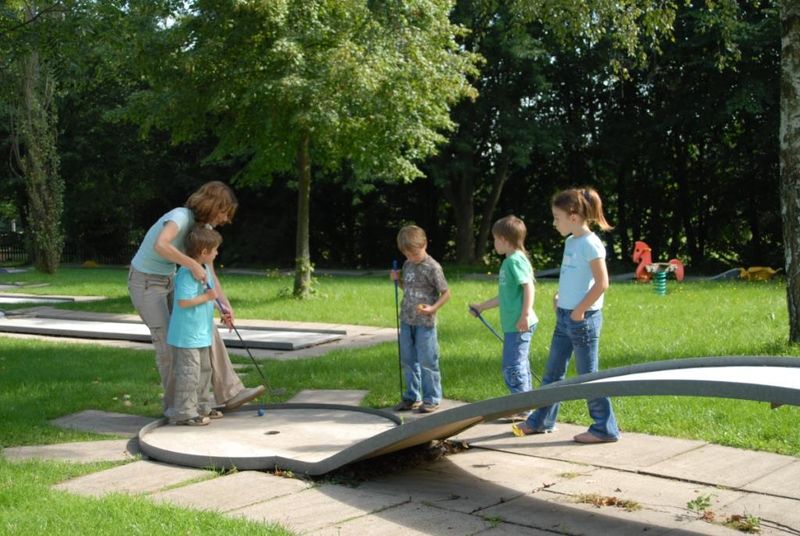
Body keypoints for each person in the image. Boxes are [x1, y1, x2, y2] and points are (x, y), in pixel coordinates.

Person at [128, 181, 264, 418]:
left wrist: (223, 305)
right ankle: (178, 408)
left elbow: (209, 271)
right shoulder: (180, 217)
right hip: (147, 284)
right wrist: (191, 263)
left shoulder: (203, 229)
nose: (226, 219)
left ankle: (230, 393)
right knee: (170, 345)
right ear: (212, 205)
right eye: (224, 212)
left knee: (203, 327)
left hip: (170, 281)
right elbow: (162, 245)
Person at [512, 187, 620, 444]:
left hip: (583, 320)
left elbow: (602, 283)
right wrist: (562, 297)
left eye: (556, 218)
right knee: (552, 374)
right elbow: (574, 276)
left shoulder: (591, 244)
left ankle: (604, 428)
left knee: (587, 377)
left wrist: (579, 309)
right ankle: (541, 421)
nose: (553, 223)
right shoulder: (571, 242)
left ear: (573, 216)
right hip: (565, 316)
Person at [469, 215, 538, 410]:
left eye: (495, 239)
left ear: (504, 240)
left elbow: (529, 287)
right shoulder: (511, 261)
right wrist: (482, 306)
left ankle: (522, 406)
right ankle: (526, 404)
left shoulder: (514, 261)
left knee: (512, 366)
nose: (494, 243)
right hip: (514, 324)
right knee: (519, 364)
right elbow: (505, 296)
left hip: (520, 324)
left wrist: (524, 315)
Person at [390, 225, 450, 413]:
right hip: (407, 320)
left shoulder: (433, 267)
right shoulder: (408, 265)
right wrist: (397, 280)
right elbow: (407, 289)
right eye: (408, 255)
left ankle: (432, 398)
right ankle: (411, 397)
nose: (412, 258)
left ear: (424, 245)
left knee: (427, 360)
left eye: (415, 254)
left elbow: (446, 293)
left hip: (425, 323)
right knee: (408, 359)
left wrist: (433, 308)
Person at [167, 225, 224, 425]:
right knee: (189, 374)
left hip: (201, 334)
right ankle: (184, 412)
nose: (217, 253)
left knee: (205, 371)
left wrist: (221, 309)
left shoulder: (205, 269)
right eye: (215, 250)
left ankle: (201, 406)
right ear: (204, 252)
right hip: (186, 336)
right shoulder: (185, 274)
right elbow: (183, 302)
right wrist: (206, 297)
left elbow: (210, 294)